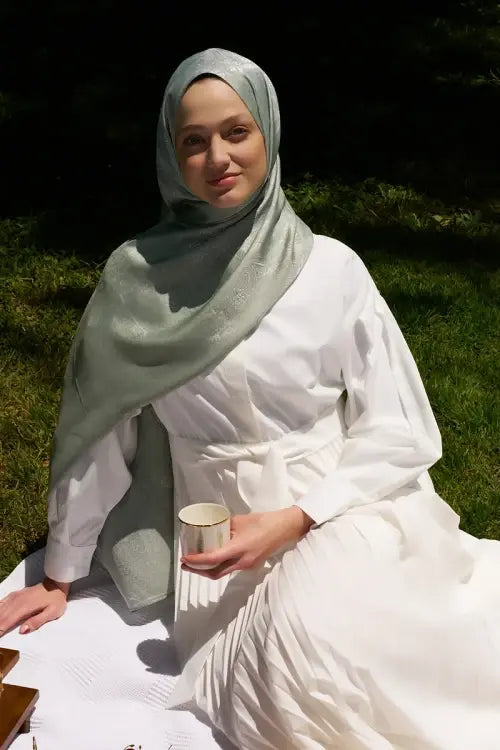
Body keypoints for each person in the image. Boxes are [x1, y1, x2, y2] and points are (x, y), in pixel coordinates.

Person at [1, 48, 500, 750]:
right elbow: (101, 435)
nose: (218, 158)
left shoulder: (331, 269)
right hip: (217, 545)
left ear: (268, 132)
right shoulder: (137, 283)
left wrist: (298, 518)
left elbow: (400, 428)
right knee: (287, 687)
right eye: (194, 141)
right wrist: (60, 574)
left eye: (237, 132)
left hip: (343, 509)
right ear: (171, 155)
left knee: (325, 647)